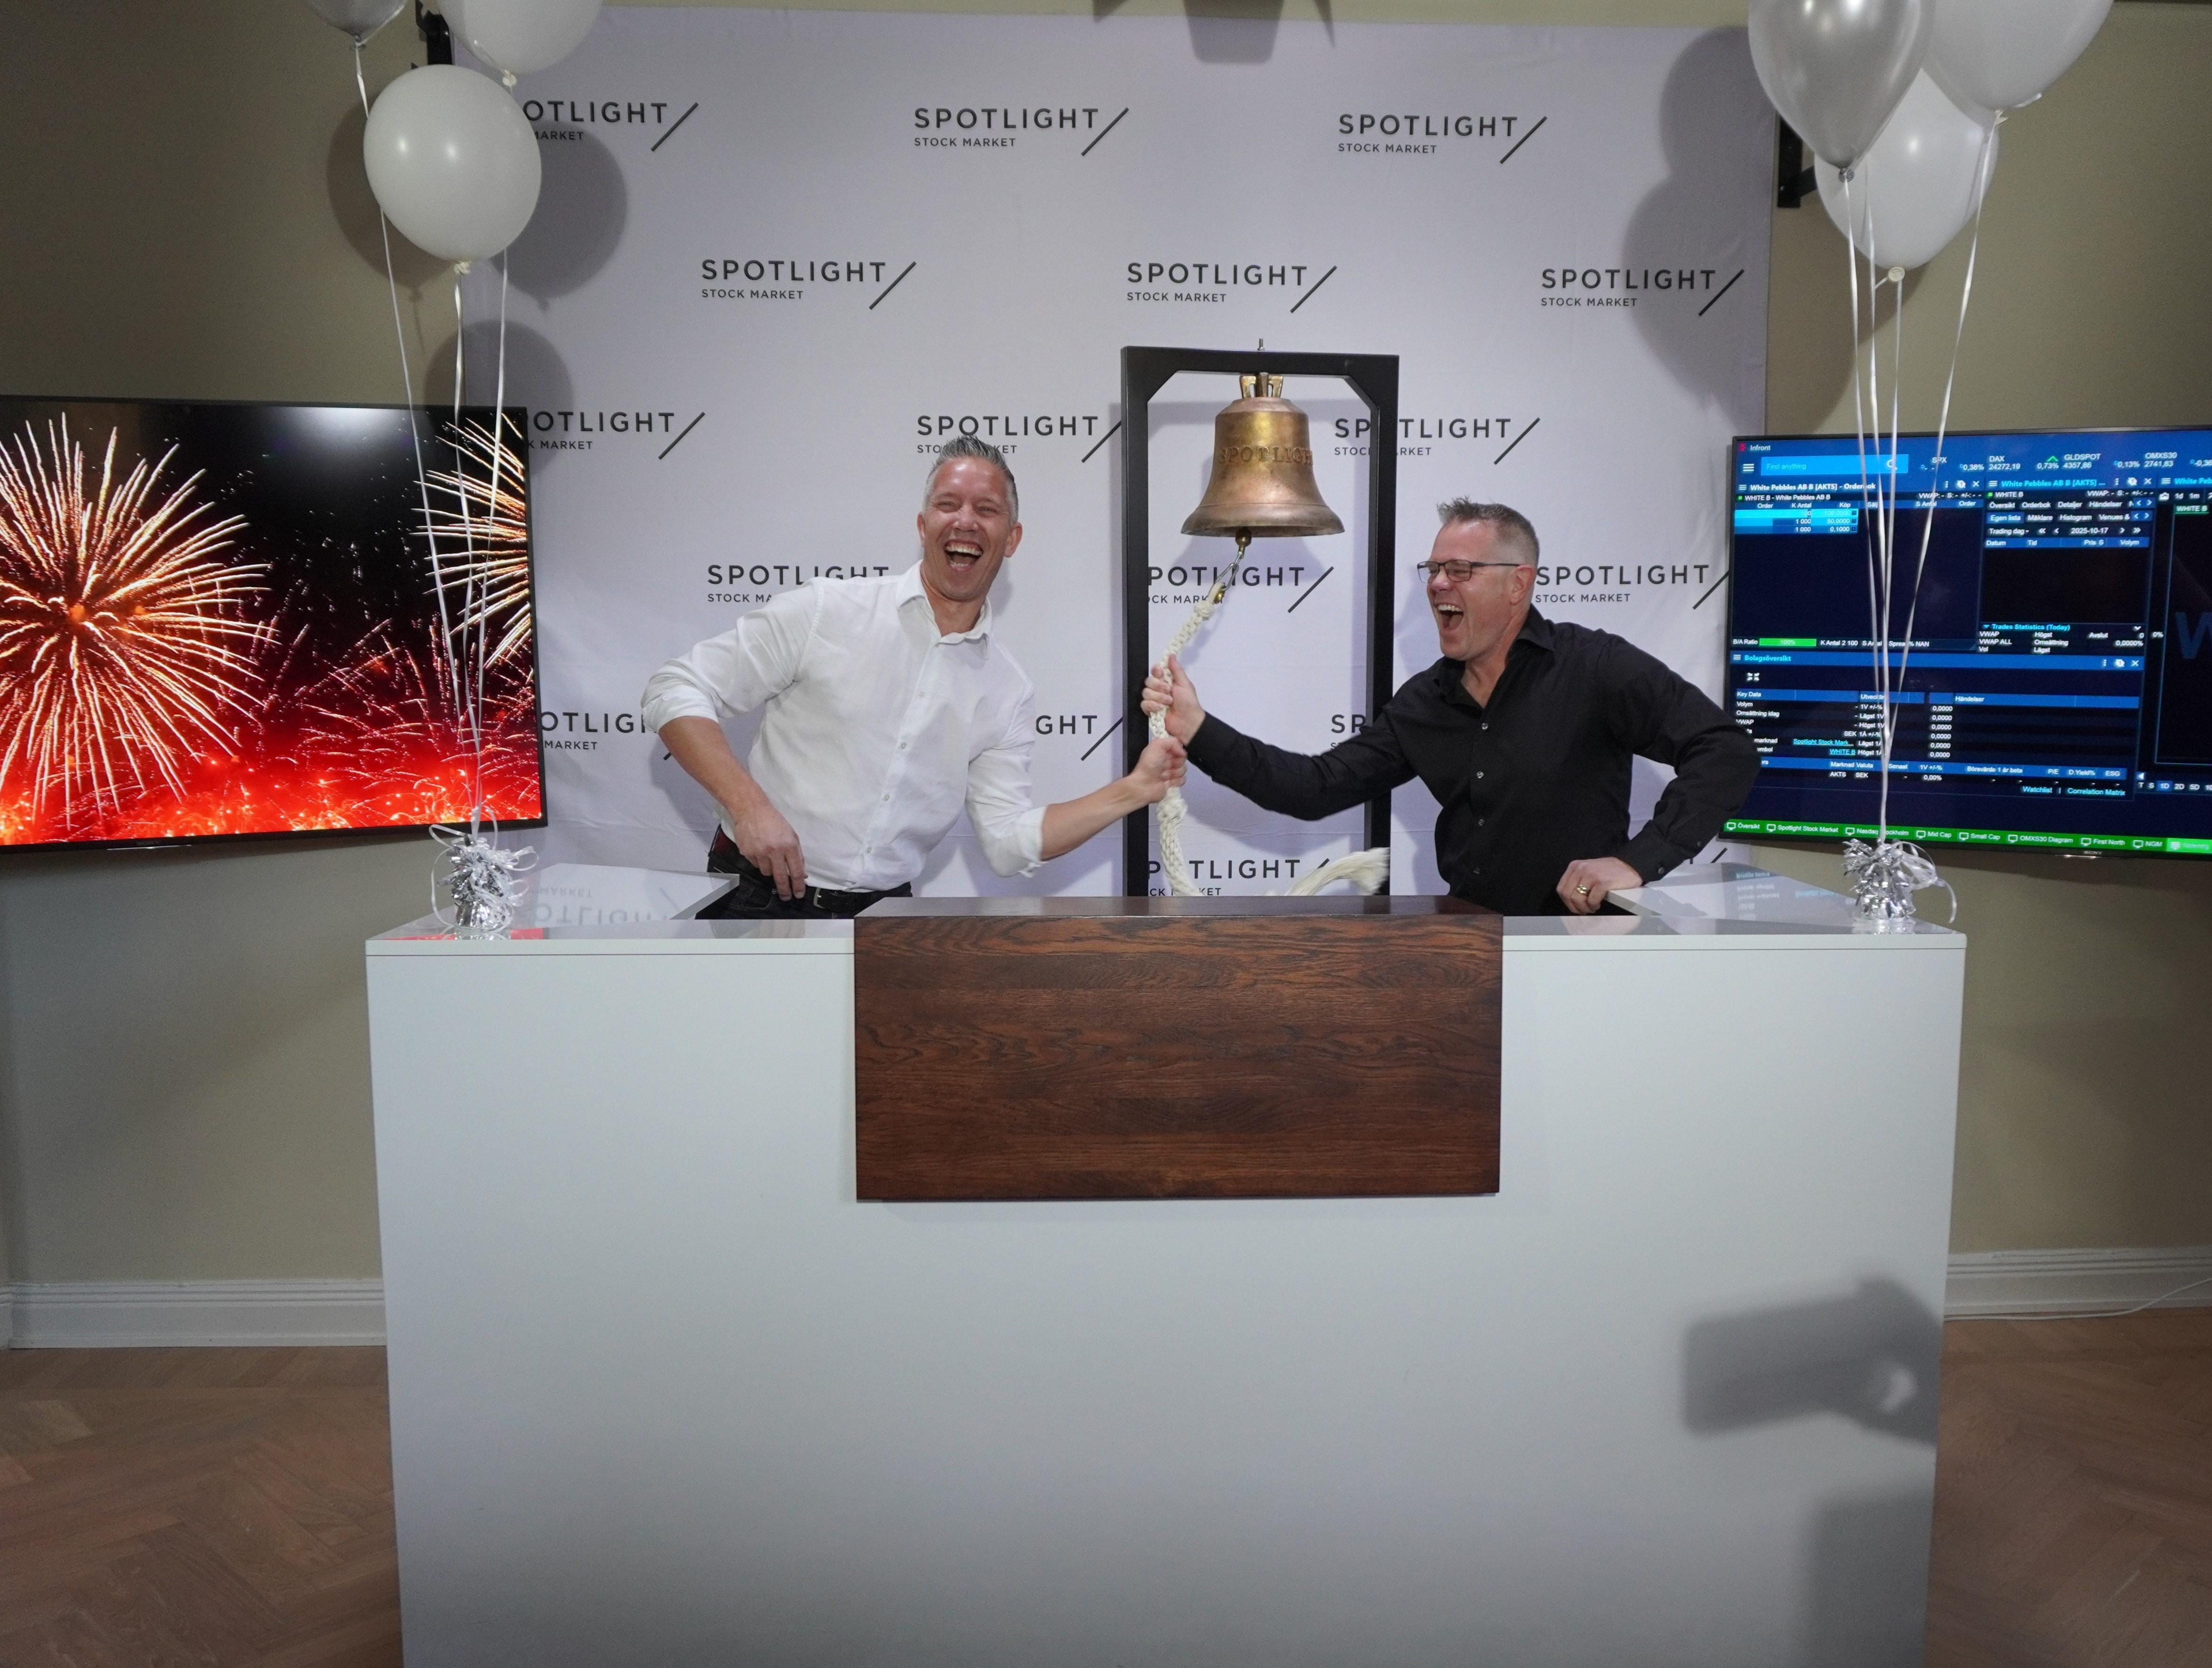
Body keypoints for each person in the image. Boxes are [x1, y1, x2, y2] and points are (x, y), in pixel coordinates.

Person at [643, 436, 1185, 917]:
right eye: (947, 505)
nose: (965, 520)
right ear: (923, 525)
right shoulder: (827, 610)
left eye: (987, 509)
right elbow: (675, 688)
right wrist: (750, 807)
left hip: (884, 920)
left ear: (1013, 538)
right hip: (755, 896)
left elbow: (1006, 842)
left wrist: (1136, 789)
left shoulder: (1007, 688)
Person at [1142, 499, 1759, 915]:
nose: (1439, 584)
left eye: (1460, 570)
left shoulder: (1595, 666)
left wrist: (1637, 861)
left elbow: (1725, 749)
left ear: (1518, 583)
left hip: (1576, 949)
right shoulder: (1425, 704)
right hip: (1465, 948)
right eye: (1434, 569)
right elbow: (1313, 787)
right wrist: (1197, 727)